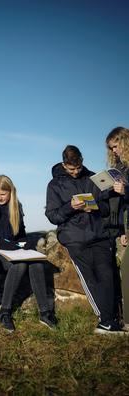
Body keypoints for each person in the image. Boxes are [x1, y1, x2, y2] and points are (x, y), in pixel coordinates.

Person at [45, 145, 125, 334]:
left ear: (82, 161)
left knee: (107, 275)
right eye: (71, 169)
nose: (75, 172)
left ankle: (110, 321)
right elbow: (53, 216)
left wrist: (94, 207)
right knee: (90, 279)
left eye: (78, 168)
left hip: (99, 234)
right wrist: (70, 206)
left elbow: (107, 209)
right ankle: (106, 321)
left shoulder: (95, 178)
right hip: (74, 239)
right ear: (64, 165)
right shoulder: (54, 185)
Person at [0, 175, 56, 332]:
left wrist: (26, 244)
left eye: (3, 194)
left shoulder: (16, 206)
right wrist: (12, 245)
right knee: (21, 264)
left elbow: (21, 236)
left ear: (11, 192)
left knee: (37, 263)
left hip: (12, 249)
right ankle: (4, 312)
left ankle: (45, 312)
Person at [105, 127, 129, 326]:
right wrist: (122, 230)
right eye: (111, 148)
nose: (114, 151)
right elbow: (122, 205)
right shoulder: (120, 168)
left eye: (116, 146)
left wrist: (126, 191)